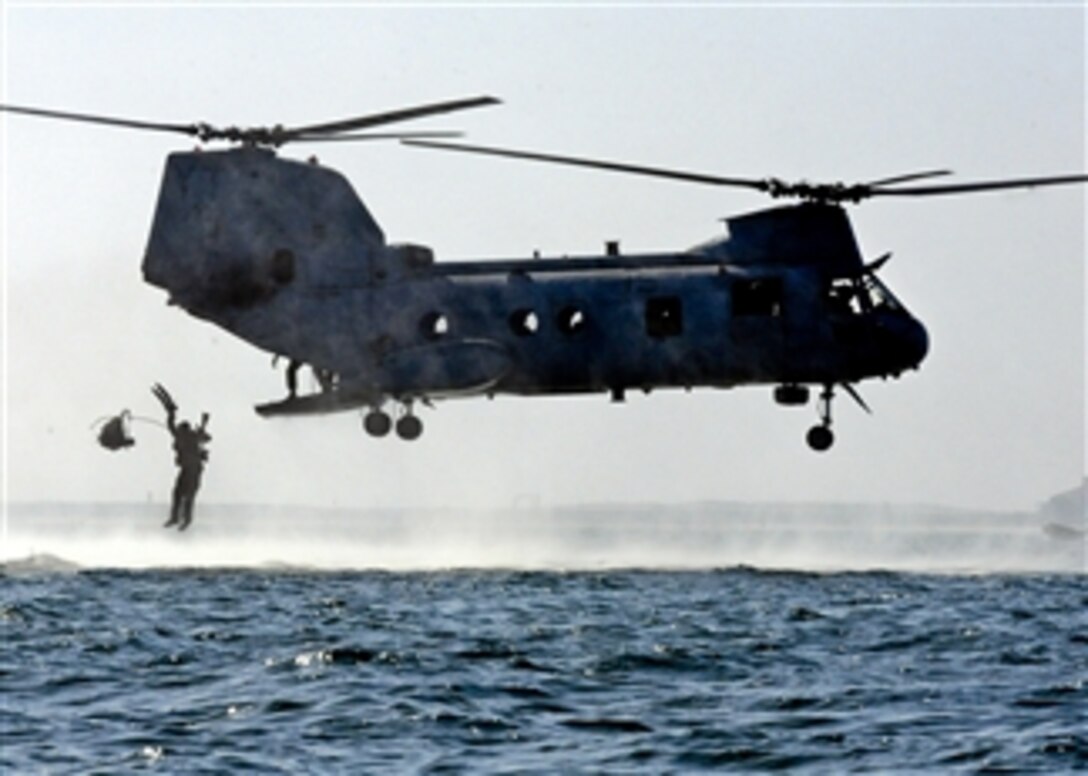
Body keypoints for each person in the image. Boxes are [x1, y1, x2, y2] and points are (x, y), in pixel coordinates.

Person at [152, 383, 211, 531]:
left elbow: (205, 437)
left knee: (186, 495)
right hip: (190, 469)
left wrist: (203, 425)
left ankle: (183, 519)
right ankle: (177, 518)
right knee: (179, 493)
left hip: (193, 469)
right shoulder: (188, 435)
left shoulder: (186, 436)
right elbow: (203, 437)